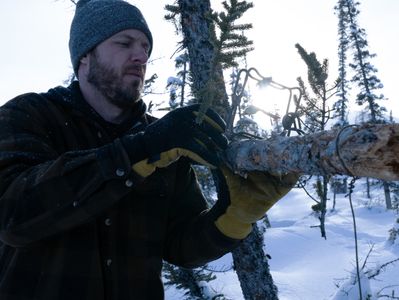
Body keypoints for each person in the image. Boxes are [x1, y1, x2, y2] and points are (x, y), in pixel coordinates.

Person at [0, 0, 298, 299]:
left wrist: (233, 217)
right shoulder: (28, 115)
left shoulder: (166, 138)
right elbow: (13, 215)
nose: (141, 56)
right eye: (124, 43)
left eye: (145, 47)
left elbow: (181, 245)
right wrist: (138, 152)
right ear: (85, 56)